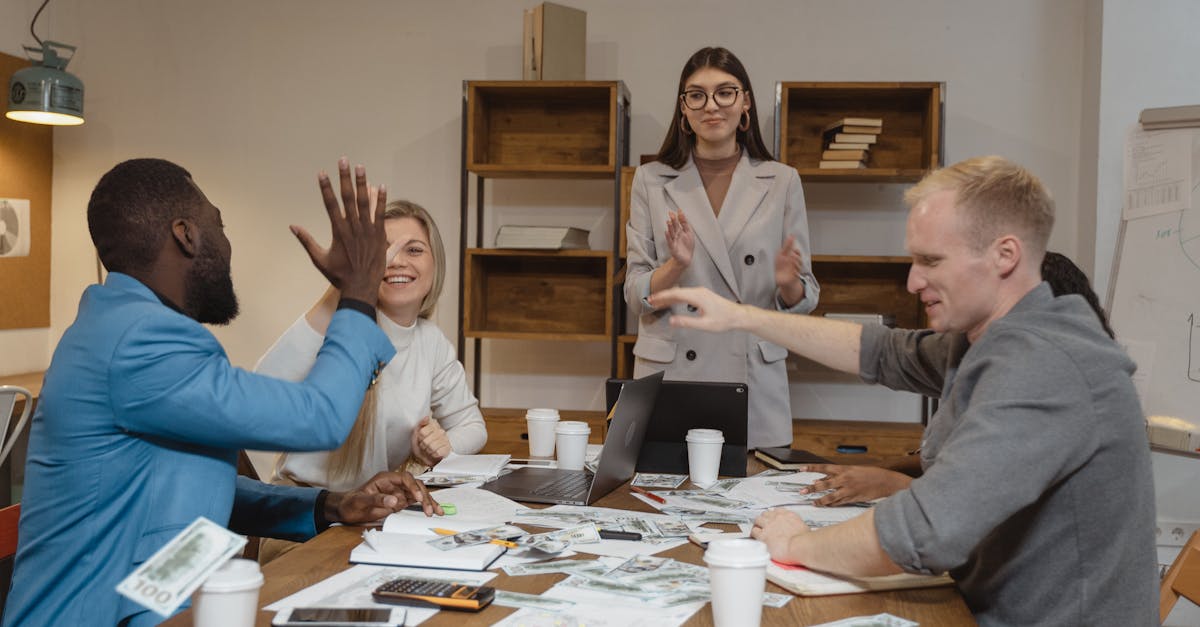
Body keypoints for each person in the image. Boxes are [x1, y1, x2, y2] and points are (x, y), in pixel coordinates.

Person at [650, 156, 1157, 626]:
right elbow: (879, 351)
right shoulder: (995, 338)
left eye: (931, 261)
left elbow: (922, 531)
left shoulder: (1043, 364)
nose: (914, 281)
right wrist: (744, 318)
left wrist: (797, 542)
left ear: (1005, 255)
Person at [2, 158, 442, 627]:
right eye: (220, 225)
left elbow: (200, 486)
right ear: (186, 235)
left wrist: (331, 504)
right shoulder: (139, 342)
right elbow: (322, 417)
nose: (228, 244)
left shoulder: (126, 328)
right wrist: (356, 293)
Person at [799, 250, 1119, 507]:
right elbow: (885, 351)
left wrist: (890, 484)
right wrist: (881, 470)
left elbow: (983, 505)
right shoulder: (977, 347)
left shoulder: (1055, 391)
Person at [625, 46, 819, 449]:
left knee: (752, 504)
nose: (711, 106)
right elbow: (635, 295)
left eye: (725, 92)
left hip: (750, 376)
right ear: (684, 109)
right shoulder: (650, 180)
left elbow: (806, 298)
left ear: (745, 101)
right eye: (697, 95)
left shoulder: (782, 181)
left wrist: (787, 285)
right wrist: (677, 265)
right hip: (674, 372)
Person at [257, 199, 486, 490]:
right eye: (383, 251)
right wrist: (346, 285)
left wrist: (443, 446)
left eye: (414, 250)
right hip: (304, 511)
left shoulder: (431, 341)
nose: (397, 261)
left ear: (435, 263)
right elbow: (263, 389)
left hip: (372, 511)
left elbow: (473, 426)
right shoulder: (340, 325)